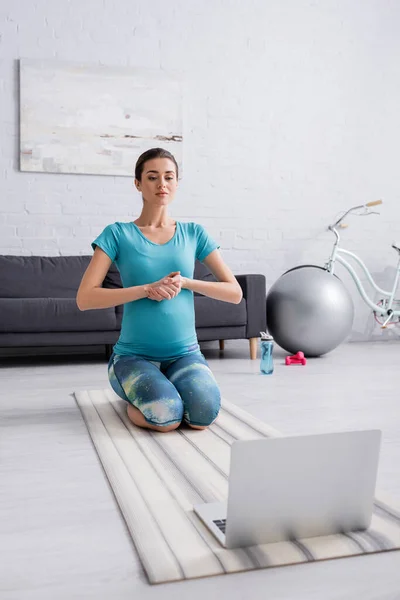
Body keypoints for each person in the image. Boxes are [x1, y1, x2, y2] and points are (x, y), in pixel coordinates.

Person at [77, 147, 243, 433]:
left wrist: (187, 283)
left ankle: (162, 388)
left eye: (169, 177)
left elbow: (234, 292)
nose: (161, 184)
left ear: (177, 183)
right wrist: (145, 289)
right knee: (167, 418)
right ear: (138, 184)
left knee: (203, 416)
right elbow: (85, 298)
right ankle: (141, 398)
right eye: (152, 177)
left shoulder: (194, 233)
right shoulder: (117, 234)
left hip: (185, 354)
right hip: (133, 358)